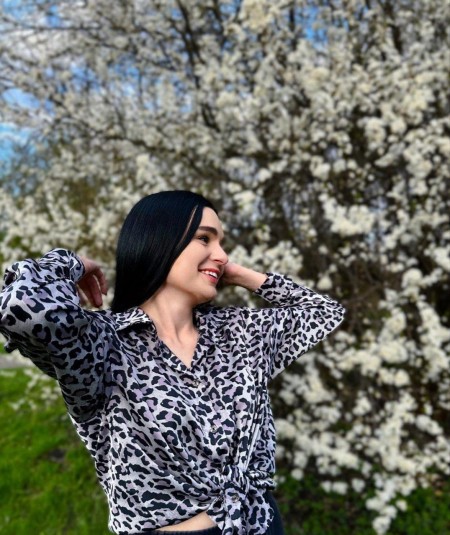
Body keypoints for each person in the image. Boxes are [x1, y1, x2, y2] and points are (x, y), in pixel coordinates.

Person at [0, 190, 345, 535]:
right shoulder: (102, 345)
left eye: (221, 243)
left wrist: (238, 274)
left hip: (262, 523)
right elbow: (21, 308)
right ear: (159, 240)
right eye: (205, 238)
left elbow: (323, 313)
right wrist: (71, 263)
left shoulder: (239, 332)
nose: (221, 254)